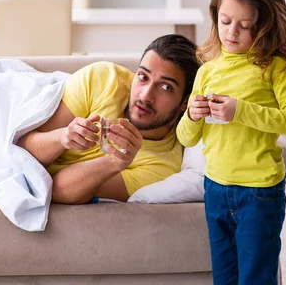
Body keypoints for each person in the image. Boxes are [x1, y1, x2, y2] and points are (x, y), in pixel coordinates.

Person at [177, 0, 286, 285]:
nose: (232, 32)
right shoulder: (207, 70)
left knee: (256, 278)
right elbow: (185, 137)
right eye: (225, 21)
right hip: (215, 189)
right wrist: (192, 115)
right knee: (224, 278)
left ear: (263, 27)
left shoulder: (275, 68)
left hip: (259, 193)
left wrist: (242, 111)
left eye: (244, 25)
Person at [16, 34, 200, 204]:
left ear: (185, 102)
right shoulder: (105, 80)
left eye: (166, 87)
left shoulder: (161, 166)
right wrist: (62, 137)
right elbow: (22, 149)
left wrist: (115, 162)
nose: (145, 95)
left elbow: (57, 191)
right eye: (143, 77)